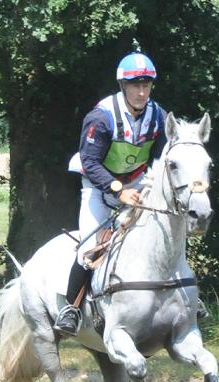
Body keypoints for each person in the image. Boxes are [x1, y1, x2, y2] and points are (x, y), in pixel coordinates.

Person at [55, 52, 167, 335]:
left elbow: (164, 157)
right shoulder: (101, 117)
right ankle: (71, 308)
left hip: (137, 184)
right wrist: (119, 191)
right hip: (99, 187)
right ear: (123, 86)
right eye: (135, 85)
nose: (142, 92)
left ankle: (184, 298)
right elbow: (89, 162)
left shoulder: (158, 116)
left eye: (147, 85)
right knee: (89, 246)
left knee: (164, 233)